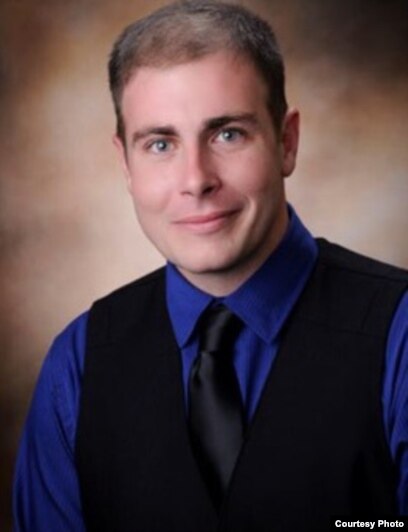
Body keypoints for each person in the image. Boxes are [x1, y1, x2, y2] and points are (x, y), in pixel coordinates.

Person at [13, 1, 408, 531]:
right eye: (160, 144)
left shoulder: (399, 335)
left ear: (286, 142)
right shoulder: (77, 365)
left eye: (228, 134)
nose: (196, 179)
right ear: (125, 164)